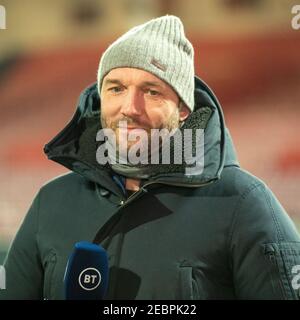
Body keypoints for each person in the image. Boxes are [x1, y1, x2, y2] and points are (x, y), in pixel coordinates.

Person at [1, 15, 300, 300]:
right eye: (116, 88)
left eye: (152, 91)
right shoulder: (51, 201)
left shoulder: (244, 203)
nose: (130, 107)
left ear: (183, 109)